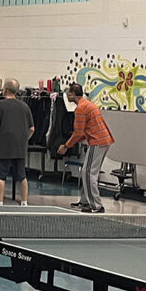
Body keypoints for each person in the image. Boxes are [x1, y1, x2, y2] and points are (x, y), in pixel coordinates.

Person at [58, 83, 114, 213]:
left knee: (89, 173)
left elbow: (78, 132)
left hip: (97, 141)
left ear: (73, 94)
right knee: (86, 171)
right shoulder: (87, 104)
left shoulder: (81, 108)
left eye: (68, 93)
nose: (66, 95)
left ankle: (96, 205)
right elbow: (84, 132)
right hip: (102, 141)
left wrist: (66, 146)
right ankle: (84, 201)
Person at [0, 78, 34, 206]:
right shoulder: (25, 106)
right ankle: (24, 202)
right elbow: (32, 129)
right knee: (21, 176)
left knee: (1, 175)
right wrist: (24, 139)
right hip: (20, 147)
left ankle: (0, 202)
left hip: (4, 146)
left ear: (5, 89)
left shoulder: (0, 105)